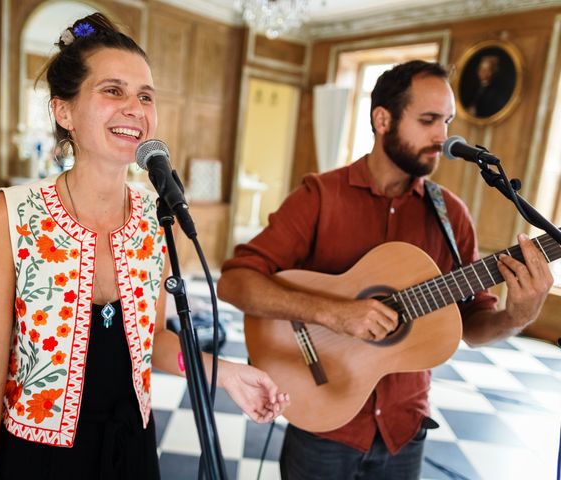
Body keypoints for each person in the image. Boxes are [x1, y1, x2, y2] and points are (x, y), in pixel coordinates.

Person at [0, 13, 289, 480]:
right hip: (39, 456)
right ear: (64, 111)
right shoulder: (9, 217)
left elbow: (150, 342)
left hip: (132, 447)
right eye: (113, 90)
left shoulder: (156, 218)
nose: (135, 108)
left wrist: (227, 373)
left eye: (146, 95)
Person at [217, 60, 553, 479]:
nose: (442, 137)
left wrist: (518, 315)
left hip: (403, 430)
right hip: (325, 421)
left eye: (446, 121)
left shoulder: (452, 216)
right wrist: (332, 313)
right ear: (382, 119)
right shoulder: (320, 196)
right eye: (428, 120)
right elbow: (234, 283)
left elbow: (472, 324)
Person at [463, 54, 511, 118]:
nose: (482, 72)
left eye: (486, 70)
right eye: (481, 69)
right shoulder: (473, 88)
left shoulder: (496, 93)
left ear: (493, 72)